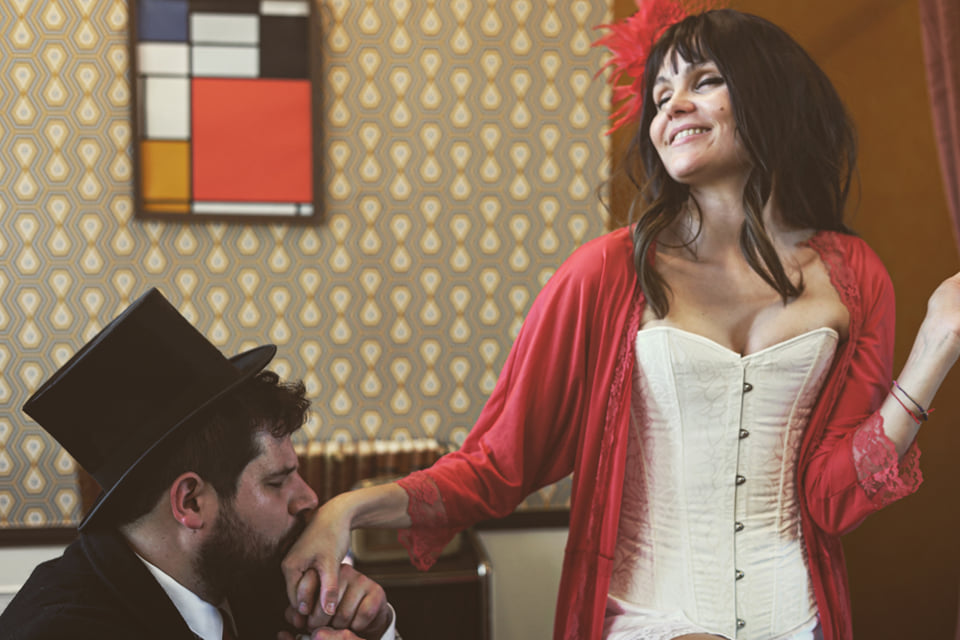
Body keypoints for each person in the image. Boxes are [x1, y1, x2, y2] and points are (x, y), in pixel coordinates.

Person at [280, 6, 960, 640]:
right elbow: (495, 465)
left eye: (704, 81)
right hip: (648, 620)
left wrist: (933, 348)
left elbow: (834, 497)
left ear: (771, 92)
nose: (674, 107)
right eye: (661, 97)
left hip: (799, 620)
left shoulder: (854, 275)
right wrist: (346, 509)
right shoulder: (605, 273)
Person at [0, 288, 398, 640]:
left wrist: (375, 627)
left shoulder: (253, 568)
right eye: (277, 482)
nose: (308, 498)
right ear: (190, 502)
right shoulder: (61, 630)